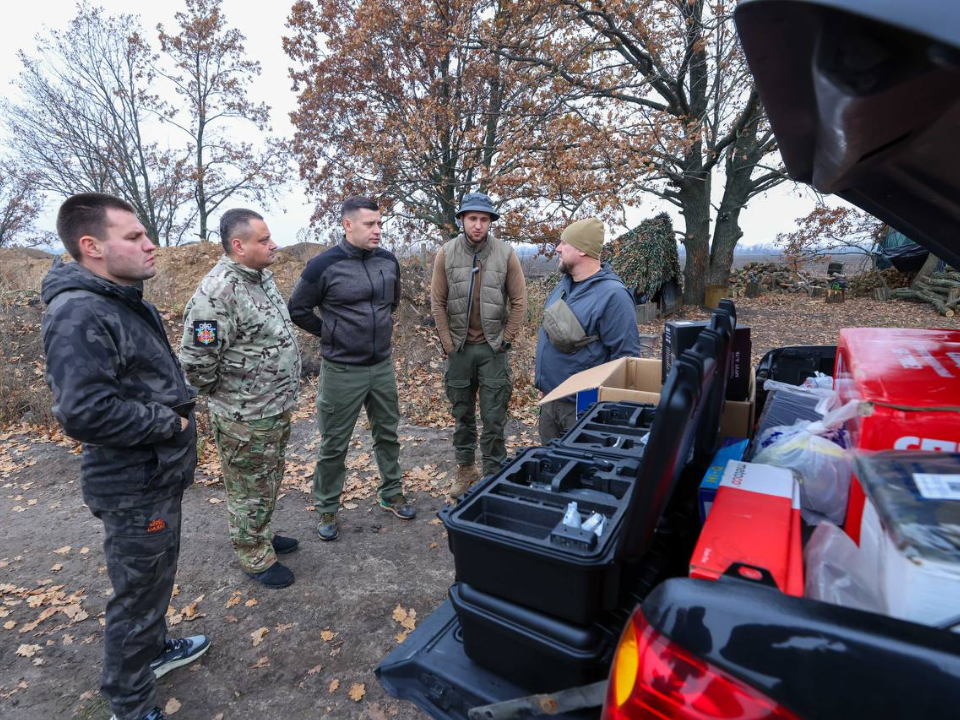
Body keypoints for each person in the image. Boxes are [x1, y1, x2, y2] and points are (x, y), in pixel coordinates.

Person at [40, 193, 210, 720]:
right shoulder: (78, 312)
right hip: (130, 483)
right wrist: (171, 423)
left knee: (155, 579)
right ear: (91, 246)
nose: (149, 244)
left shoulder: (125, 300)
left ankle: (155, 652)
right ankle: (129, 702)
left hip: (155, 475)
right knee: (135, 597)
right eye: (134, 237)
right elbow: (84, 412)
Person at [179, 209, 302, 589]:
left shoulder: (260, 278)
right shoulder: (216, 294)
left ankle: (261, 532)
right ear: (239, 245)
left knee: (267, 479)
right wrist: (232, 394)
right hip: (244, 414)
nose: (273, 244)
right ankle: (253, 553)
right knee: (248, 487)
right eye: (264, 240)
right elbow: (197, 362)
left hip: (273, 406)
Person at [288, 195, 416, 542]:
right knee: (334, 443)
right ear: (347, 225)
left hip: (381, 366)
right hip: (342, 370)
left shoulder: (388, 262)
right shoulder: (322, 266)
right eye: (369, 224)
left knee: (387, 434)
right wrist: (331, 333)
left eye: (379, 223)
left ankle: (391, 492)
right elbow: (297, 309)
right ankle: (327, 507)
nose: (378, 230)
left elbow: (392, 303)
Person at [430, 192, 527, 498]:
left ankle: (493, 474)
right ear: (462, 220)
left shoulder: (505, 253)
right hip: (459, 350)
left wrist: (506, 340)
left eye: (484, 219)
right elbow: (438, 303)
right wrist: (448, 344)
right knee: (462, 415)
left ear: (490, 223)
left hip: (492, 350)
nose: (478, 225)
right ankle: (466, 470)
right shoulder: (446, 253)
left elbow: (520, 302)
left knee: (494, 416)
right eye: (472, 218)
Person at [535, 217, 640, 442]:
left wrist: (605, 410)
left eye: (564, 243)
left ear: (582, 250)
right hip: (550, 402)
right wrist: (545, 385)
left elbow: (627, 360)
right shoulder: (562, 287)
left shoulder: (614, 296)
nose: (558, 249)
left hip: (583, 412)